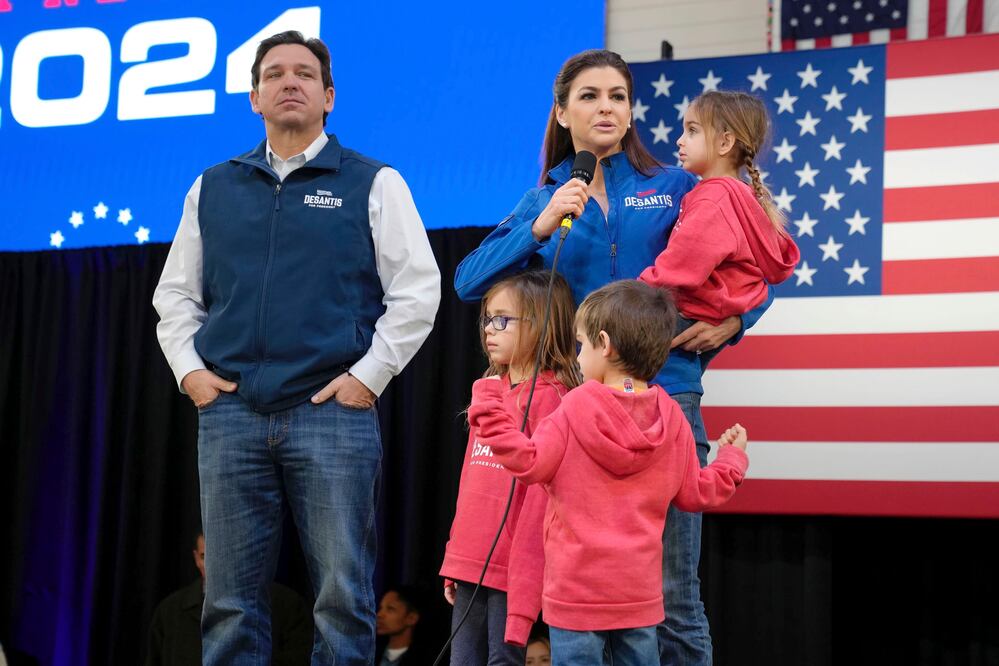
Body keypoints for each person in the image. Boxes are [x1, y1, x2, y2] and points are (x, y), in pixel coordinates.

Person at [453, 49, 771, 664]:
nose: (607, 108)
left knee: (674, 595)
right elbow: (469, 280)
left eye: (618, 97)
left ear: (630, 112)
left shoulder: (676, 186)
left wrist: (736, 320)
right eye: (591, 96)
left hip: (668, 396)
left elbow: (759, 262)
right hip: (578, 410)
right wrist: (539, 226)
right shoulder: (545, 198)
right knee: (580, 594)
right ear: (562, 113)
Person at [152, 30, 441, 665]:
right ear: (254, 98)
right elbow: (175, 295)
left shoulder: (374, 181)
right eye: (274, 74)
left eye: (305, 74)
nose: (289, 82)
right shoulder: (212, 187)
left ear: (328, 96)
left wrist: (369, 376)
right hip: (230, 415)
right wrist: (191, 373)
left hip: (331, 412)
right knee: (228, 602)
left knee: (342, 598)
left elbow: (418, 290)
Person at [467, 280, 748, 665]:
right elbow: (697, 493)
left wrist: (488, 402)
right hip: (639, 598)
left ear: (604, 344)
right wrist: (731, 458)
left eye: (581, 344)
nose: (578, 356)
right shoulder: (672, 416)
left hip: (575, 595)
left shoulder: (574, 406)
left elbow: (528, 462)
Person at [440, 271, 581, 663]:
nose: (489, 329)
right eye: (488, 319)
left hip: (513, 564)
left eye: (503, 320)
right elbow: (470, 483)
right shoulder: (488, 391)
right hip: (470, 559)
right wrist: (456, 556)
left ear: (541, 324)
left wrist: (530, 565)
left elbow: (542, 496)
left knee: (503, 659)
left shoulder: (554, 399)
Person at [638, 91, 799, 368]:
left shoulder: (713, 200)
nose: (680, 140)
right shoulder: (739, 194)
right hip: (706, 321)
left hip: (684, 319)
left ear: (725, 142)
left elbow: (679, 268)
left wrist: (627, 298)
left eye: (692, 131)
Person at [145, 533, 312, 666]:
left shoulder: (286, 604)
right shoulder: (170, 612)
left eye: (220, 555)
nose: (213, 566)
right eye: (205, 556)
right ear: (196, 559)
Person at [374, 586, 429, 665]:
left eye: (390, 609)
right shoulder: (370, 652)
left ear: (411, 618)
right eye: (381, 608)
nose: (379, 615)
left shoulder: (425, 658)